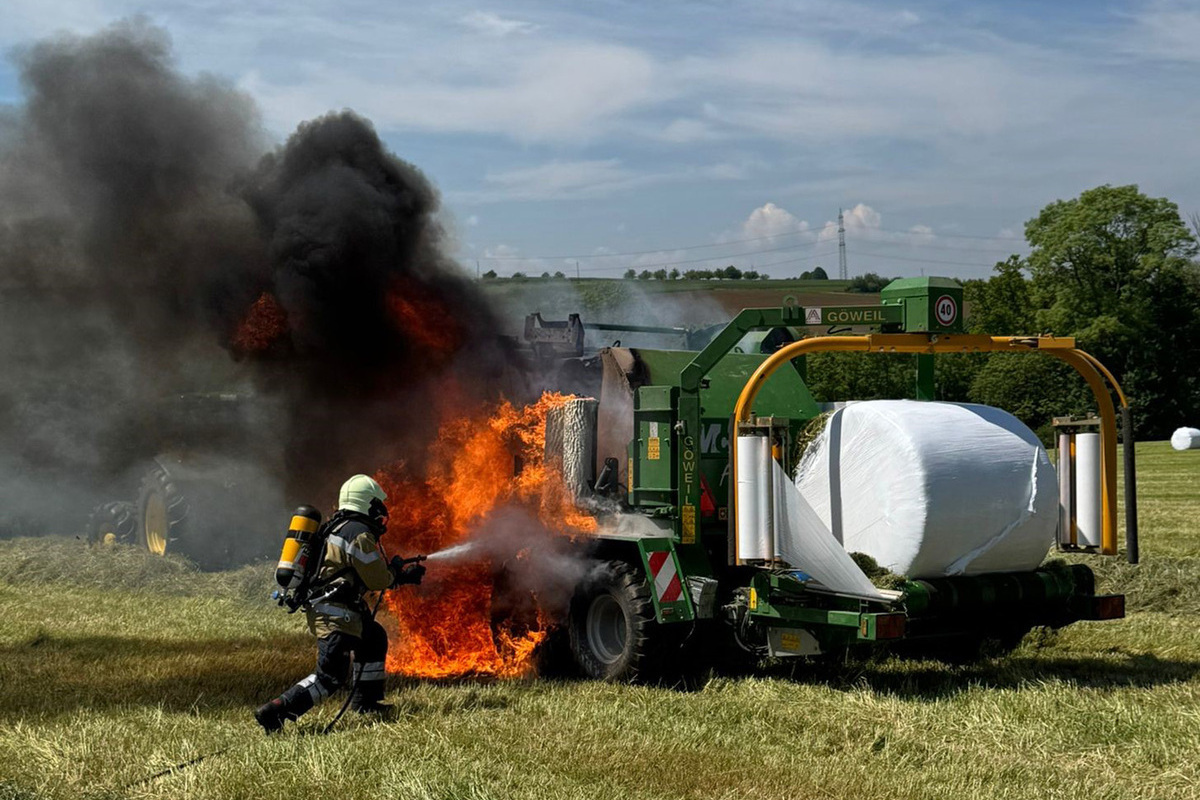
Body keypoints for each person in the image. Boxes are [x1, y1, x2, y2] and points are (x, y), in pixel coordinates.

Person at [254, 474, 425, 733]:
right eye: (377, 504)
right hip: (336, 614)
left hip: (339, 610)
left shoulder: (337, 526)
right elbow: (376, 577)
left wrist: (396, 574)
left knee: (374, 637)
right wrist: (399, 575)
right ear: (367, 503)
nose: (381, 512)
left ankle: (366, 703)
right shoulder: (358, 533)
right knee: (329, 677)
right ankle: (276, 711)